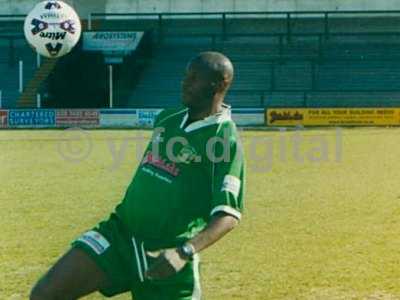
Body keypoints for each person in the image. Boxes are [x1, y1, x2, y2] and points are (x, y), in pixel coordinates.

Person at [30, 51, 245, 300]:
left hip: (166, 254)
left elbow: (228, 215)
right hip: (120, 234)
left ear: (218, 84)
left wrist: (184, 251)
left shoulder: (224, 140)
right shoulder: (168, 118)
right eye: (186, 76)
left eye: (194, 78)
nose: (184, 82)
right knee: (45, 294)